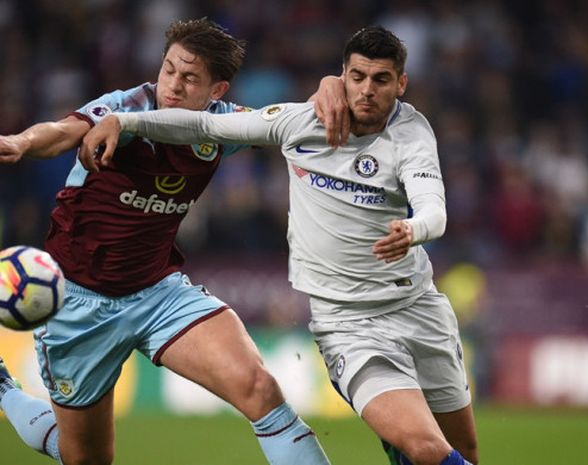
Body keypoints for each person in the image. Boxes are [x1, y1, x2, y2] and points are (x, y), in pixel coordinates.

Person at [82, 26, 479, 465]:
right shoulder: (301, 121)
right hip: (348, 324)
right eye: (357, 77)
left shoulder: (413, 136)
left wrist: (414, 229)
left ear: (401, 84)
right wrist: (125, 120)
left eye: (381, 80)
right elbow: (204, 123)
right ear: (342, 76)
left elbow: (434, 210)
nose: (367, 90)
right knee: (427, 449)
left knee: (462, 454)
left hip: (418, 308)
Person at [0, 17, 348, 465]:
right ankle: (5, 391)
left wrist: (328, 87)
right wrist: (22, 141)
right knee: (84, 457)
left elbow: (294, 121)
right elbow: (64, 131)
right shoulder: (124, 107)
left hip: (157, 293)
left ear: (216, 91)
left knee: (259, 389)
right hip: (79, 302)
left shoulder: (223, 127)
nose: (173, 85)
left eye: (189, 78)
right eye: (169, 70)